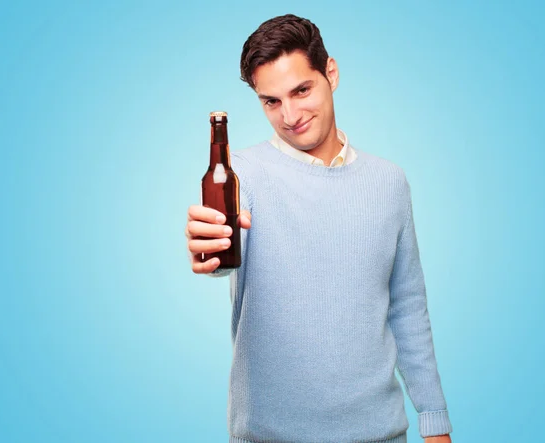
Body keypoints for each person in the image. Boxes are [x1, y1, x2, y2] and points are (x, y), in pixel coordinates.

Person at [185, 14, 453, 443]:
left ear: (331, 72)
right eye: (271, 101)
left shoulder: (390, 182)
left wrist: (434, 418)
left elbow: (407, 306)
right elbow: (222, 252)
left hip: (380, 433)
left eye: (301, 90)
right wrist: (209, 249)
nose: (290, 115)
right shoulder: (243, 176)